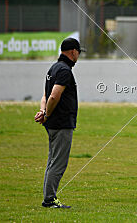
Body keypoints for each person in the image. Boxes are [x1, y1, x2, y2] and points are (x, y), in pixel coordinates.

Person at [34, 37, 85, 208]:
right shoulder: (64, 70)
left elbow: (45, 96)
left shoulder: (53, 68)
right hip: (61, 123)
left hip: (53, 122)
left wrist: (43, 112)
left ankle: (49, 197)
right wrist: (46, 114)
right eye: (78, 52)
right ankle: (49, 199)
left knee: (52, 160)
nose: (78, 56)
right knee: (58, 163)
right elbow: (54, 95)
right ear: (73, 52)